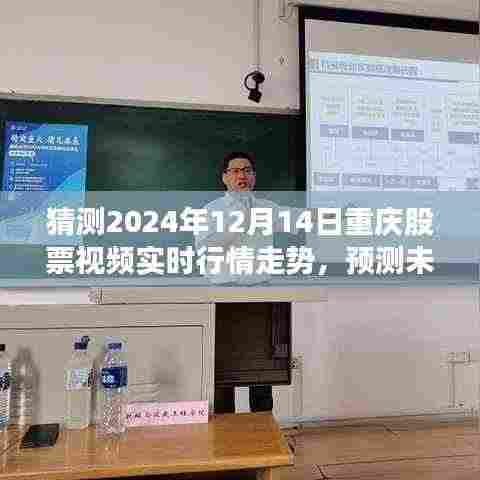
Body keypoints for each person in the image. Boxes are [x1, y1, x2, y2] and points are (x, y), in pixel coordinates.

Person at [196, 151, 280, 413]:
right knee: (224, 372)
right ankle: (225, 435)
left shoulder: (267, 208)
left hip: (262, 293)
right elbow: (207, 248)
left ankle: (264, 432)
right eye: (235, 170)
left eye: (247, 170)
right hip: (224, 294)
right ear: (224, 177)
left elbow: (302, 218)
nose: (242, 175)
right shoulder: (211, 210)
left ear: (254, 176)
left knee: (262, 372)